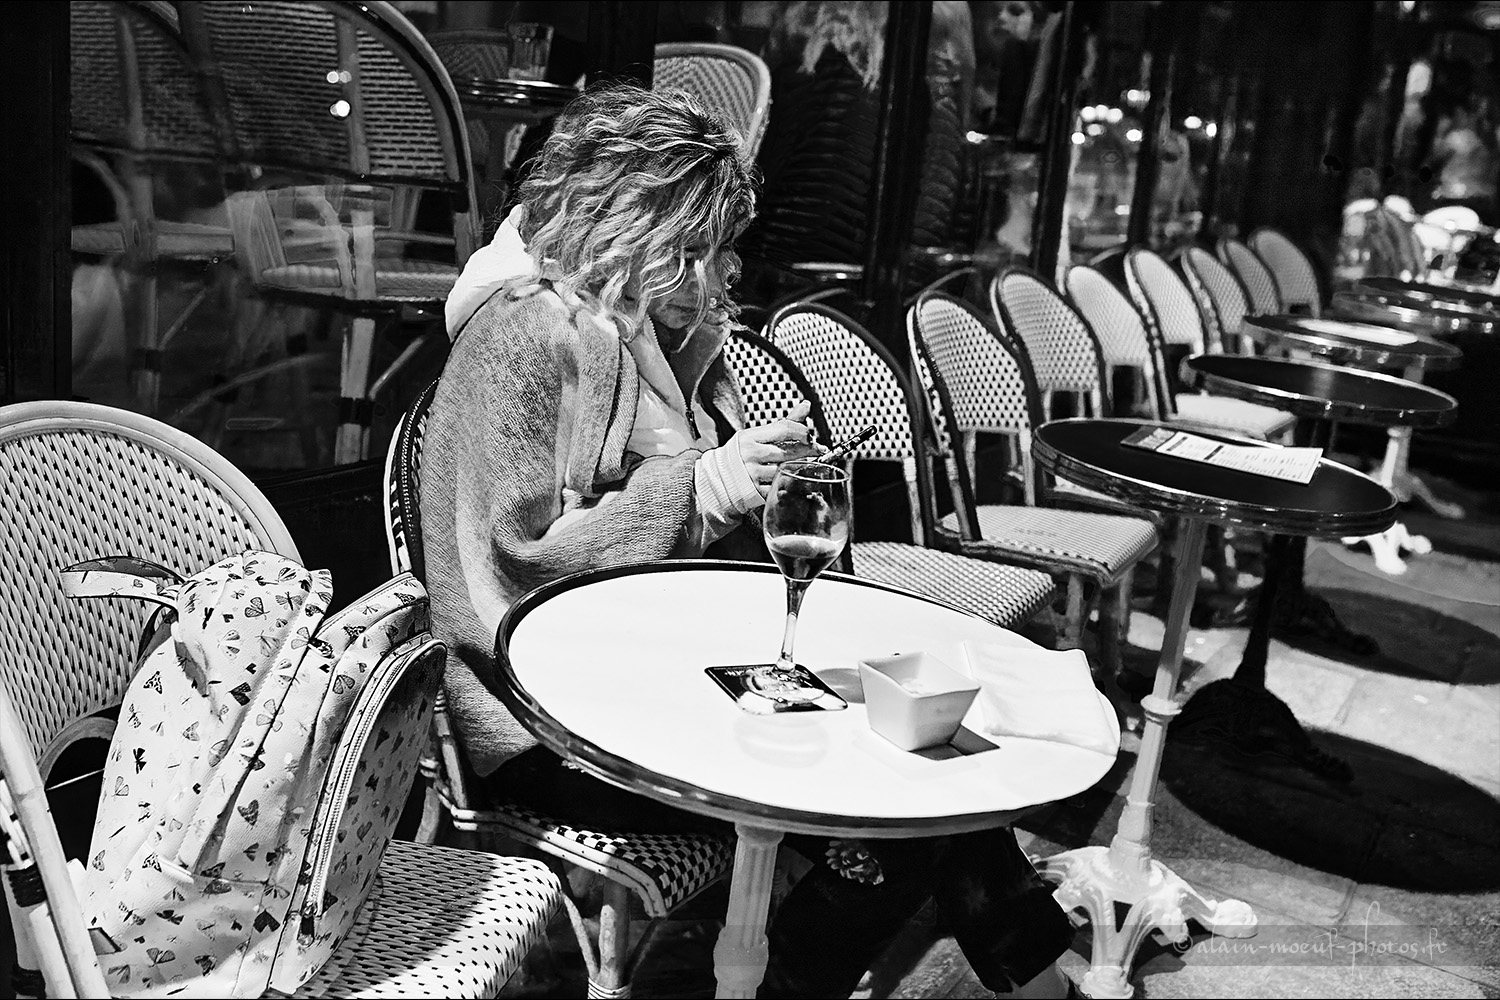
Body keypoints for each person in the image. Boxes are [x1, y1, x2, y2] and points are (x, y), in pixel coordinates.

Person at [424, 84, 1078, 999]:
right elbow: (516, 565)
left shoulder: (658, 331)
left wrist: (746, 476)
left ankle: (1033, 982)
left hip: (664, 666)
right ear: (629, 225)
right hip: (541, 714)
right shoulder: (523, 332)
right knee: (898, 808)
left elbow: (696, 519)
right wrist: (702, 487)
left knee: (927, 760)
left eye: (720, 247)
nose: (715, 274)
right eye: (693, 248)